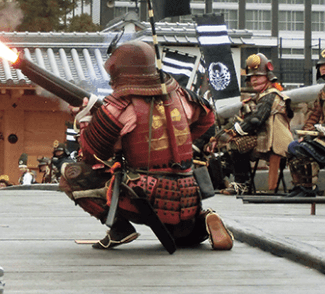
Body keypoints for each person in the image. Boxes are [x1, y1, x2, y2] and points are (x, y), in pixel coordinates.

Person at [61, 40, 233, 251]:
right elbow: (207, 118)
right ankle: (204, 220)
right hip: (189, 195)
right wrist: (185, 143)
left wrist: (86, 122)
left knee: (72, 175)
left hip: (144, 196)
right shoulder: (182, 96)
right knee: (181, 238)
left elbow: (91, 155)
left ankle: (119, 229)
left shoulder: (117, 108)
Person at [211, 53, 293, 195]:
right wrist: (218, 136)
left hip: (275, 141)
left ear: (268, 76)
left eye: (258, 76)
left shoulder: (271, 96)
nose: (253, 80)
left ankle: (242, 183)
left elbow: (255, 120)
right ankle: (236, 181)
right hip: (264, 137)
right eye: (251, 77)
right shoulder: (258, 97)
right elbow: (240, 119)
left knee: (237, 143)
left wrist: (232, 133)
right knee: (228, 147)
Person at [285, 49, 325, 196]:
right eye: (322, 65)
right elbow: (314, 116)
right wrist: (307, 132)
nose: (323, 68)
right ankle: (300, 185)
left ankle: (309, 188)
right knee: (294, 146)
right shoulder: (323, 92)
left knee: (302, 149)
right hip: (321, 137)